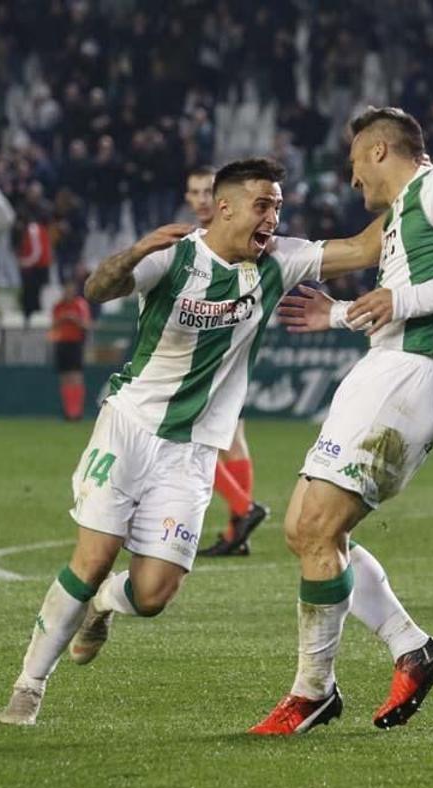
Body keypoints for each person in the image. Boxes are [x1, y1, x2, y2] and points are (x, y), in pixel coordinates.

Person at [0, 157, 386, 726]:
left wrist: (413, 188)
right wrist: (133, 253)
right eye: (263, 204)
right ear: (223, 207)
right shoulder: (173, 256)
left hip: (195, 451)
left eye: (278, 205)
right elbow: (97, 287)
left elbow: (361, 247)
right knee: (93, 556)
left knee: (152, 595)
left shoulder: (280, 260)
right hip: (129, 427)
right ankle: (29, 685)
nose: (274, 217)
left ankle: (105, 603)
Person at [250, 107, 433, 735]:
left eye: (353, 165)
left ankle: (312, 691)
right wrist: (337, 316)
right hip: (382, 368)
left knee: (316, 528)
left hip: (410, 375)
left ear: (378, 152)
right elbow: (389, 288)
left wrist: (401, 299)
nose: (351, 182)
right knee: (303, 530)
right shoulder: (400, 217)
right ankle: (410, 649)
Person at [179, 165, 269, 557]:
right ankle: (239, 533)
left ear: (223, 201)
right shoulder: (194, 239)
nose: (200, 199)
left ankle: (243, 510)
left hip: (215, 352)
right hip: (234, 350)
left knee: (190, 438)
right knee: (233, 440)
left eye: (206, 192)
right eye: (193, 192)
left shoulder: (232, 240)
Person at [49, 280, 91, 421]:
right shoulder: (58, 306)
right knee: (64, 378)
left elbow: (86, 324)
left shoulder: (80, 304)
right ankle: (68, 412)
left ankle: (77, 412)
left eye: (71, 289)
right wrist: (62, 320)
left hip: (75, 343)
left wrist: (74, 319)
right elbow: (53, 325)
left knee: (76, 377)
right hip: (61, 343)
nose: (68, 292)